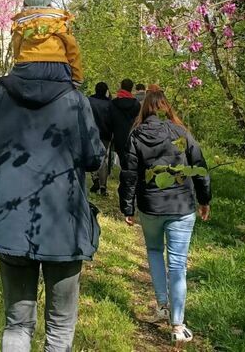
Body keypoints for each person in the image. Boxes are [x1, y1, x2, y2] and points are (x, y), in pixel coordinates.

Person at [0, 63, 104, 351]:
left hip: (9, 222)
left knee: (17, 324)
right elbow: (94, 158)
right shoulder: (75, 100)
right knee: (60, 325)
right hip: (64, 227)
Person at [119, 88, 211, 345]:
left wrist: (128, 208)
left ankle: (162, 304)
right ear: (166, 108)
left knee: (154, 251)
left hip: (150, 207)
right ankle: (177, 324)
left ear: (145, 108)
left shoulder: (136, 135)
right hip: (181, 206)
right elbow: (200, 167)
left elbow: (128, 175)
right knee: (178, 265)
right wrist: (205, 200)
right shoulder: (181, 133)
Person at [10, 0, 84, 85]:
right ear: (49, 1)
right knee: (66, 92)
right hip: (58, 66)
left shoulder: (21, 22)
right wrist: (77, 77)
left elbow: (16, 48)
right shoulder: (59, 20)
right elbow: (72, 48)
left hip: (27, 65)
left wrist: (19, 62)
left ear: (25, 1)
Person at [88, 82, 113, 196]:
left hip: (91, 133)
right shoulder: (110, 104)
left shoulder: (89, 101)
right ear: (106, 91)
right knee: (103, 159)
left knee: (93, 156)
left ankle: (95, 179)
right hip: (105, 134)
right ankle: (103, 186)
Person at [110, 78, 141, 165]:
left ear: (121, 87)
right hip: (132, 136)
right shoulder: (136, 104)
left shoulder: (113, 104)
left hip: (118, 136)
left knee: (122, 161)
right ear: (131, 89)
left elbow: (110, 120)